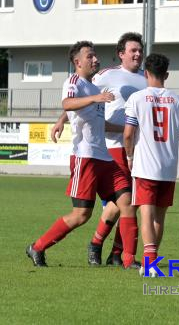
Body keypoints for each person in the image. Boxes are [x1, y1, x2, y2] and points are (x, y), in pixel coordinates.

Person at [26, 41, 136, 267]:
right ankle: (37, 247)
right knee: (81, 215)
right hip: (85, 157)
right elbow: (68, 103)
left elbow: (98, 123)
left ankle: (127, 260)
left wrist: (130, 128)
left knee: (127, 201)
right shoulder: (74, 81)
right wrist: (93, 100)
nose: (95, 59)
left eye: (95, 56)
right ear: (77, 62)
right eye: (90, 56)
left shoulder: (94, 88)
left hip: (105, 158)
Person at [51, 33, 146, 268]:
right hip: (112, 146)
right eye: (132, 50)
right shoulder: (106, 75)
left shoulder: (146, 78)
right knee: (123, 203)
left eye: (140, 50)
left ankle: (114, 253)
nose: (137, 54)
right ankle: (102, 246)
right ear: (121, 54)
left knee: (127, 202)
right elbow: (77, 98)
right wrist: (62, 119)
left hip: (138, 147)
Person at [123, 53, 179, 278]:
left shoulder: (137, 98)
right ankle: (150, 262)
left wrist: (129, 156)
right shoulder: (178, 100)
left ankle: (149, 262)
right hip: (168, 167)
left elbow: (128, 134)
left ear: (146, 73)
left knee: (146, 215)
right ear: (167, 75)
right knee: (159, 218)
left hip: (145, 166)